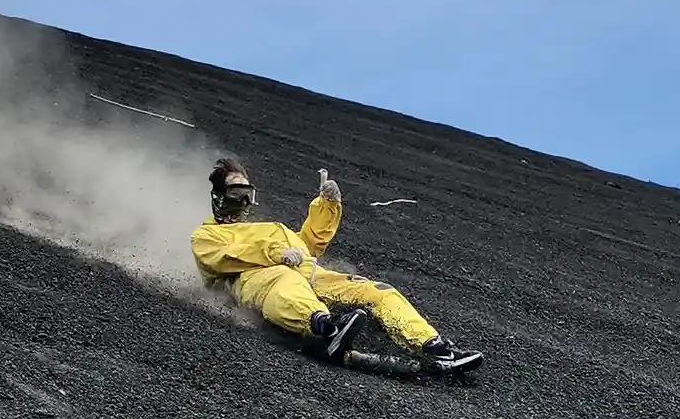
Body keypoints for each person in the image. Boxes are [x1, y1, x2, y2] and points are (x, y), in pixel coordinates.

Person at [193, 158, 483, 372]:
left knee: (376, 291)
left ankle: (433, 347)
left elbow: (307, 245)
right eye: (236, 192)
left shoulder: (270, 228)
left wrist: (326, 207)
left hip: (308, 276)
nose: (243, 200)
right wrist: (275, 253)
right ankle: (325, 329)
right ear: (219, 196)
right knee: (284, 280)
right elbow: (219, 259)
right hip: (256, 283)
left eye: (248, 193)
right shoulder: (207, 235)